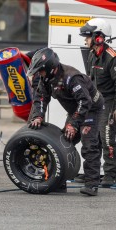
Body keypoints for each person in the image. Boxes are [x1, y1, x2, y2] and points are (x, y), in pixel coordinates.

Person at [27, 48, 104, 196]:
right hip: (76, 109)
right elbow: (41, 98)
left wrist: (74, 124)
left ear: (50, 67)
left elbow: (84, 101)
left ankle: (92, 184)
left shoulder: (72, 77)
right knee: (62, 143)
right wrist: (38, 116)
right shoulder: (46, 79)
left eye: (40, 70)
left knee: (89, 145)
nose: (39, 74)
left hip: (91, 108)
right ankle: (59, 182)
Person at [78, 18, 116, 187]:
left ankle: (111, 176)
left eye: (87, 37)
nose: (85, 40)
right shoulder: (92, 54)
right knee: (92, 137)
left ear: (98, 37)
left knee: (106, 136)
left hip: (110, 101)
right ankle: (92, 173)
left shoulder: (112, 57)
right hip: (96, 101)